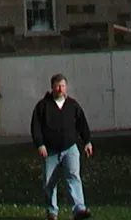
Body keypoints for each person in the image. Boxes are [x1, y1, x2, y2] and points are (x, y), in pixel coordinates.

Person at [30, 74, 93, 220]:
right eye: (57, 86)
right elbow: (36, 127)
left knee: (73, 177)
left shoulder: (72, 105)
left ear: (66, 87)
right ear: (52, 87)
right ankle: (52, 211)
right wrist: (40, 144)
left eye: (63, 86)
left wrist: (87, 141)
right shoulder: (43, 106)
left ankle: (79, 209)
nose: (60, 89)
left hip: (69, 149)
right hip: (50, 151)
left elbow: (82, 124)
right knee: (49, 182)